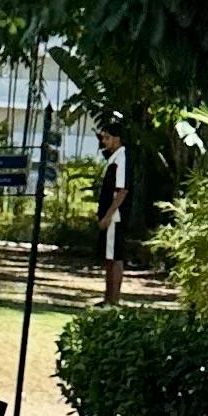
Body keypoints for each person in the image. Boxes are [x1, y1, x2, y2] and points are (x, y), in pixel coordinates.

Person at [96, 119, 130, 302]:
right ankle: (108, 297)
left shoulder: (121, 159)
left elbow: (122, 190)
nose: (104, 142)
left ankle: (113, 299)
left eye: (107, 138)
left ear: (117, 139)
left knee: (115, 257)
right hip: (110, 216)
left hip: (115, 217)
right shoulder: (114, 159)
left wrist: (108, 216)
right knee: (109, 258)